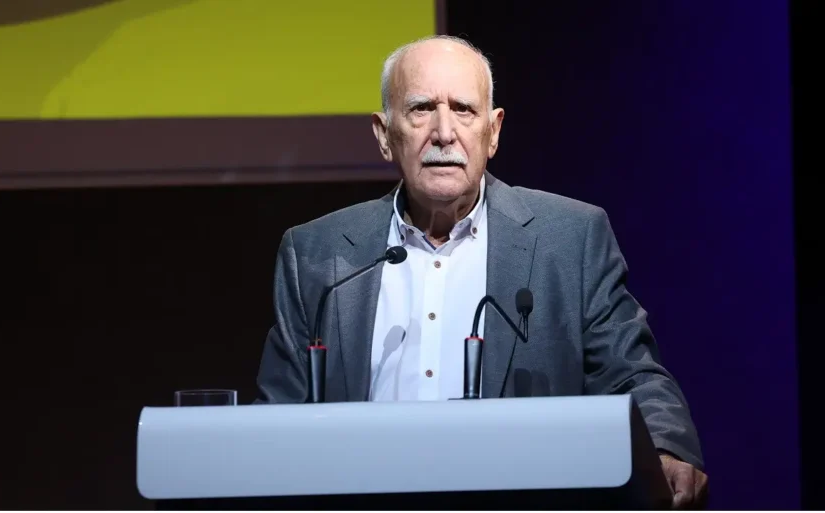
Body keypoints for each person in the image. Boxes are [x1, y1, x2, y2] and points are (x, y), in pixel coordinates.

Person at [255, 35, 708, 509]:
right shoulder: (318, 253)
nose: (444, 133)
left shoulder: (570, 239)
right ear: (384, 135)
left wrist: (666, 444)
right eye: (421, 109)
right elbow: (277, 416)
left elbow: (630, 371)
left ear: (493, 132)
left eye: (464, 110)